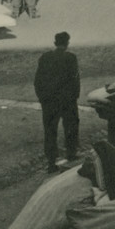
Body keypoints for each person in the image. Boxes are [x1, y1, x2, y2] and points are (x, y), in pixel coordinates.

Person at [34, 32, 81, 174]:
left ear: (55, 43)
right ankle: (71, 154)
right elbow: (75, 80)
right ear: (67, 43)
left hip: (49, 102)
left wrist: (43, 99)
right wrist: (74, 97)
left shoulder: (45, 58)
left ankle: (51, 162)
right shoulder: (71, 58)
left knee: (50, 131)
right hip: (67, 101)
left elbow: (37, 81)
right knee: (71, 126)